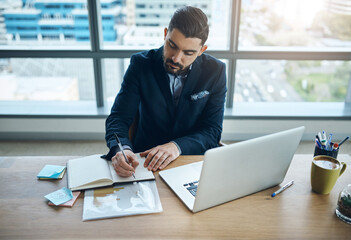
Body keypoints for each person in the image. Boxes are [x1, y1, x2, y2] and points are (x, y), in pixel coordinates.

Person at [104, 6, 227, 177]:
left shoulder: (216, 71)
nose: (176, 58)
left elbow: (212, 130)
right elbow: (118, 117)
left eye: (188, 53)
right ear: (165, 34)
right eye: (172, 45)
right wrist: (121, 149)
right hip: (143, 163)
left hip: (190, 161)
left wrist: (177, 146)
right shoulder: (140, 64)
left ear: (201, 51)